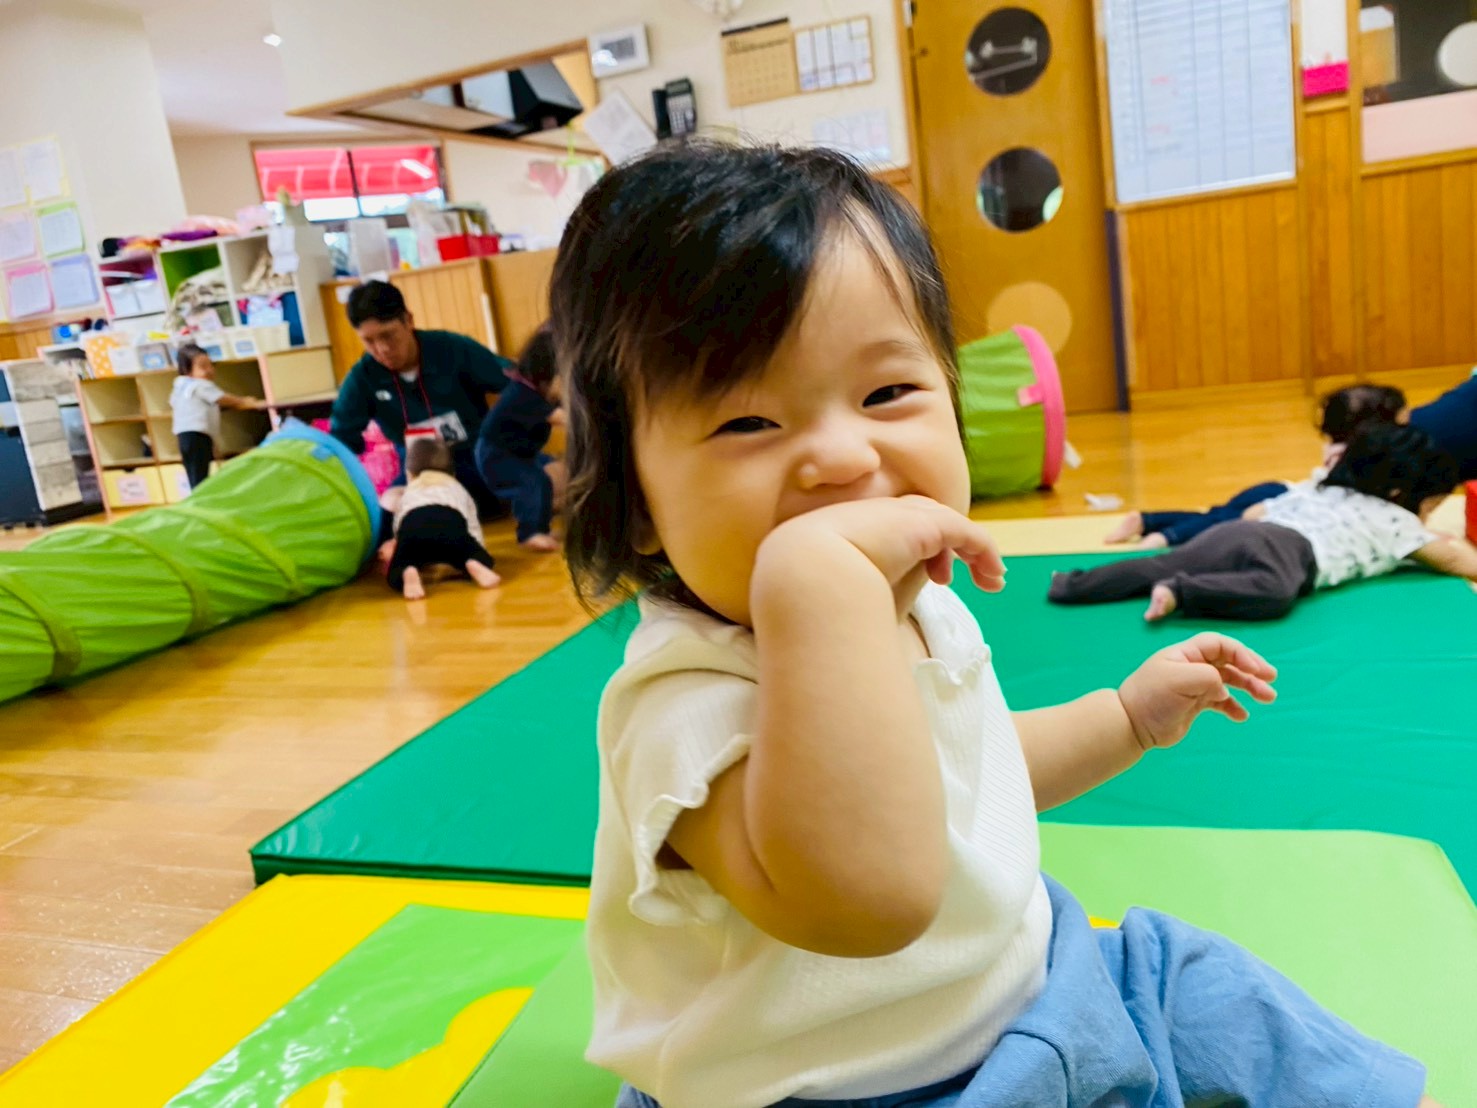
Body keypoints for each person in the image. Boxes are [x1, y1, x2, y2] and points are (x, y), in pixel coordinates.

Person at [550, 142, 1439, 1108]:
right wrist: (819, 589)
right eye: (745, 424)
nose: (843, 457)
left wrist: (1122, 718)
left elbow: (968, 772)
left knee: (1198, 980)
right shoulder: (682, 704)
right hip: (851, 1090)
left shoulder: (919, 606)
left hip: (1038, 984)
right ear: (635, 504)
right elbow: (866, 899)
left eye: (886, 393)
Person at [1052, 424, 1472, 622]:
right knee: (1274, 592)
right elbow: (1454, 560)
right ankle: (1182, 591)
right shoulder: (1399, 522)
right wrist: (1437, 542)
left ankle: (1072, 584)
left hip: (1239, 532)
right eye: (1430, 506)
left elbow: (1253, 514)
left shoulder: (1319, 488)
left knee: (1160, 563)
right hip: (1293, 551)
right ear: (1400, 495)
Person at [1104, 384, 1407, 548]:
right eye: (1399, 424)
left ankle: (1147, 520)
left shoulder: (1342, 446)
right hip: (1281, 498)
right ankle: (1163, 538)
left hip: (1279, 490)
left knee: (1216, 515)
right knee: (1223, 523)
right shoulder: (1358, 455)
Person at [328, 280, 512, 517]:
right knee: (390, 502)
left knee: (550, 477)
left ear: (408, 320)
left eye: (388, 335)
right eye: (369, 341)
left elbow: (515, 383)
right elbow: (340, 439)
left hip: (480, 463)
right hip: (419, 478)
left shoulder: (451, 348)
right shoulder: (362, 378)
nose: (382, 349)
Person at [474, 325, 563, 553]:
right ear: (546, 375)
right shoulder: (524, 394)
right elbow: (560, 417)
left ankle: (540, 529)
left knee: (541, 482)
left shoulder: (536, 391)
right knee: (534, 481)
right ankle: (530, 533)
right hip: (495, 454)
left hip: (514, 453)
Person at [381, 437, 500, 601]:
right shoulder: (457, 488)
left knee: (398, 567)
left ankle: (408, 571)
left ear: (409, 475)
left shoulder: (409, 491)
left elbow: (399, 523)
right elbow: (472, 524)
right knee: (478, 557)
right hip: (450, 528)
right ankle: (472, 564)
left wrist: (398, 546)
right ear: (453, 474)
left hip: (413, 531)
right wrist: (476, 549)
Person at [170, 343, 264, 489]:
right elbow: (221, 398)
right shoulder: (200, 385)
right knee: (200, 475)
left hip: (183, 437)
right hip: (197, 436)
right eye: (203, 366)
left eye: (210, 365)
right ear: (187, 370)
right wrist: (244, 401)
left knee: (194, 473)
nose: (209, 370)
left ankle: (198, 495)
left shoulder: (180, 385)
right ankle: (200, 499)